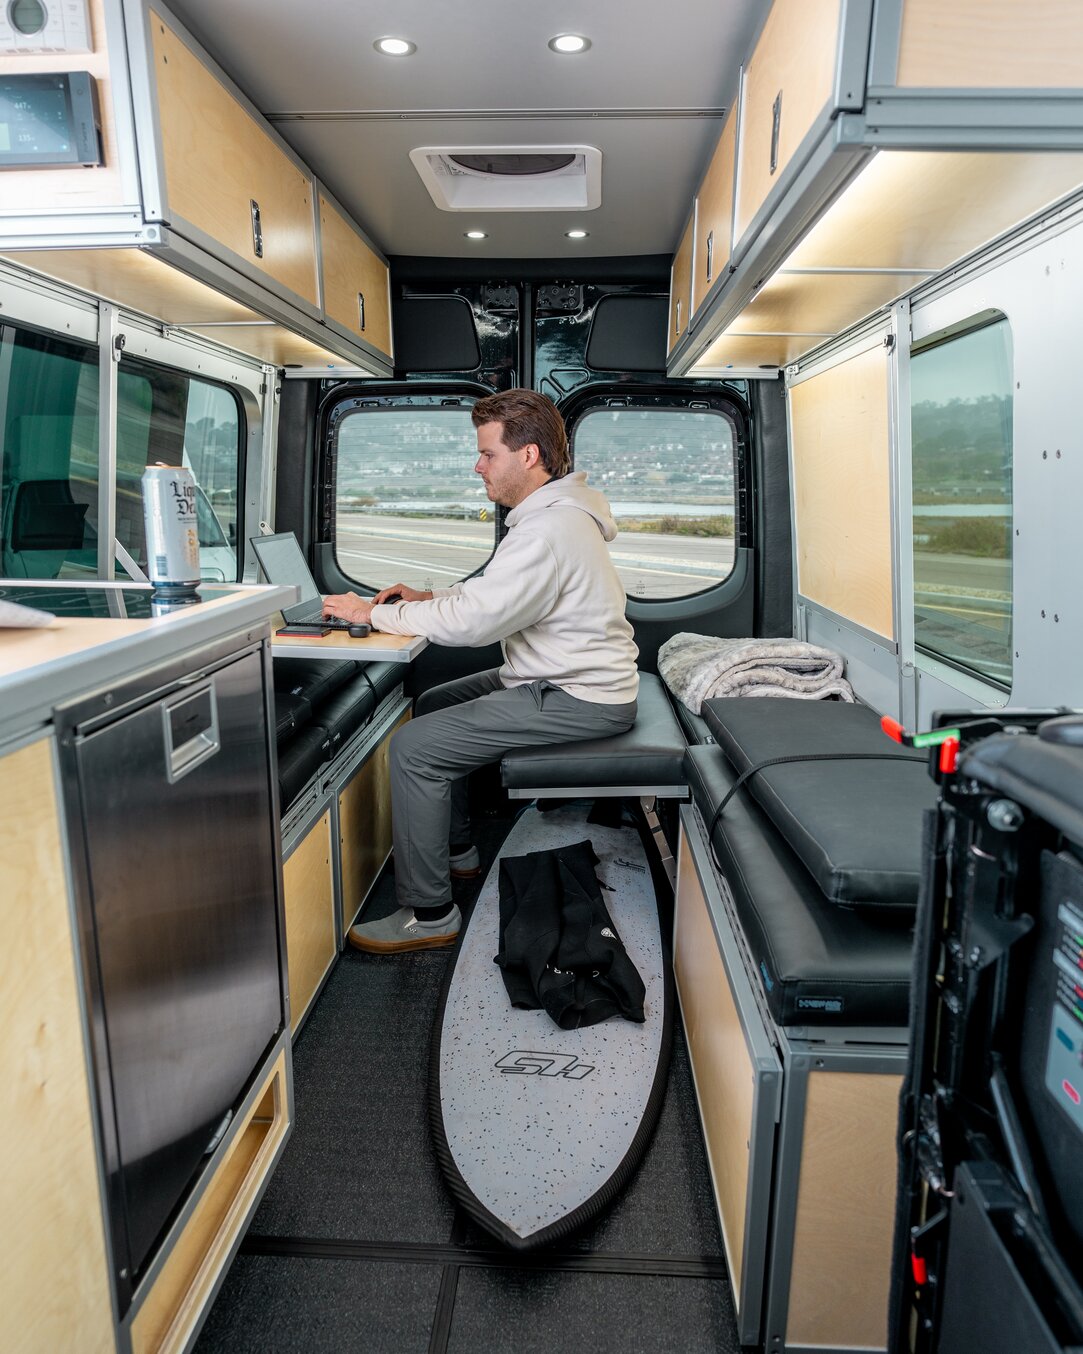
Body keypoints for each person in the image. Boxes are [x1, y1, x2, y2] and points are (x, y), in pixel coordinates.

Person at [322, 389, 639, 952]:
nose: (478, 465)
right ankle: (456, 851)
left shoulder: (547, 530)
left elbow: (476, 622)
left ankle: (429, 912)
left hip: (577, 694)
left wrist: (374, 613)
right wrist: (427, 596)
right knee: (437, 703)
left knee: (415, 747)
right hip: (556, 675)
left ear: (529, 455)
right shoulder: (551, 517)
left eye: (487, 454)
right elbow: (496, 594)